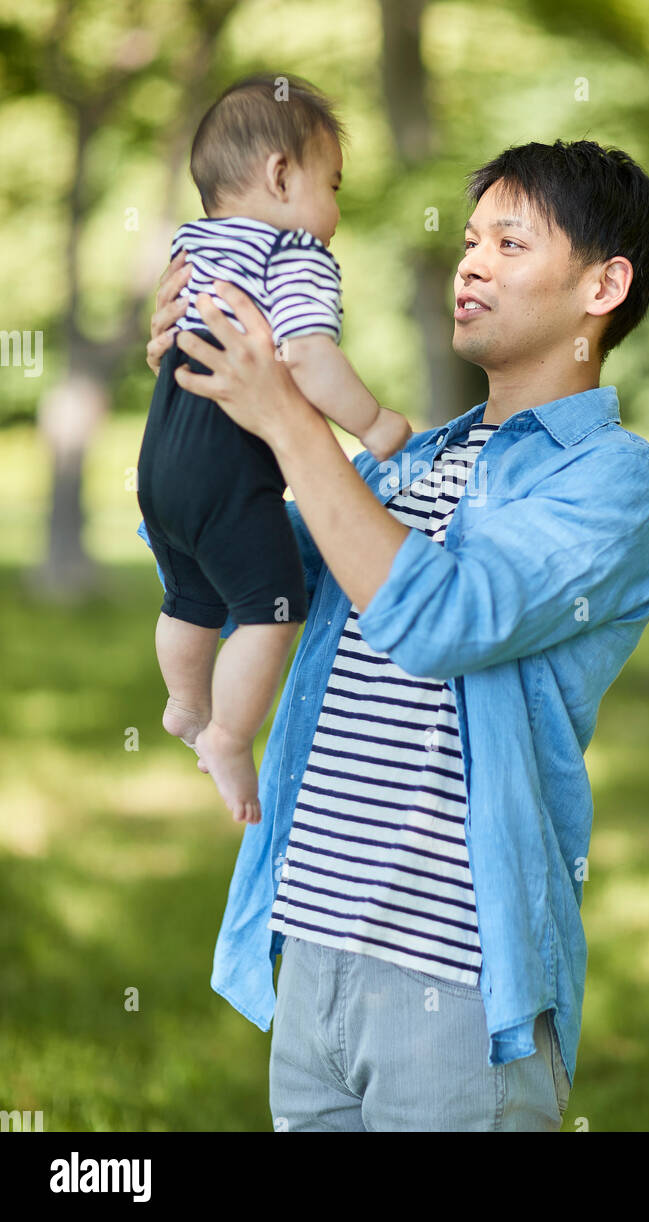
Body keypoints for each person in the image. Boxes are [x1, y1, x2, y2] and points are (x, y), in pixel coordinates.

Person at [138, 137, 649, 1131]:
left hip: (457, 983)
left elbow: (440, 617)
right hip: (312, 953)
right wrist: (195, 397)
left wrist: (291, 418)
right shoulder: (410, 462)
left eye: (508, 243)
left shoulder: (614, 482)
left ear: (602, 286)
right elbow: (232, 562)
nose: (468, 261)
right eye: (470, 239)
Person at [136, 73, 410, 825]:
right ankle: (225, 733)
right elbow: (309, 360)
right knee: (272, 609)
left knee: (190, 594)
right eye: (334, 184)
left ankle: (185, 701)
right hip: (229, 471)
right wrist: (376, 423)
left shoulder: (192, 245)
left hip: (160, 462)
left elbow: (177, 346)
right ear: (282, 177)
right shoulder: (293, 252)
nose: (336, 210)